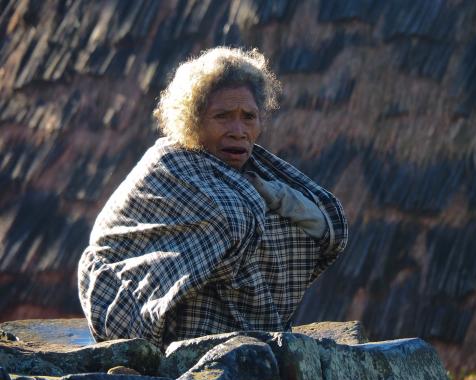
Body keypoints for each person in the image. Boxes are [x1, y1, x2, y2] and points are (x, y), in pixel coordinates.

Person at [78, 46, 348, 348]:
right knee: (241, 220)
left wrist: (276, 195)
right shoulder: (170, 165)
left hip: (231, 327)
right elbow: (229, 219)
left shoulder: (256, 170)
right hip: (125, 301)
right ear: (194, 120)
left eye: (249, 117)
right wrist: (260, 203)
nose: (238, 130)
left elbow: (329, 226)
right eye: (222, 116)